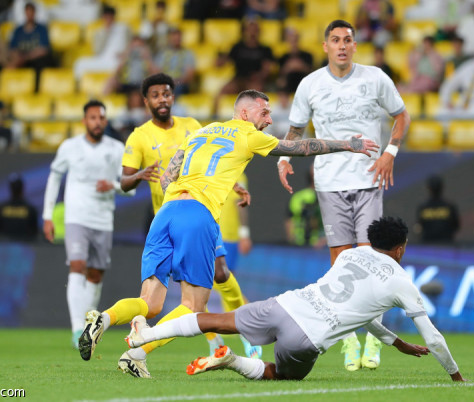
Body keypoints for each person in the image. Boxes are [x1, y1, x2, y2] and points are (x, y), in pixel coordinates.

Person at [77, 89, 379, 378]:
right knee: (193, 305)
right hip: (197, 215)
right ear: (244, 112)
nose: (270, 120)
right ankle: (137, 352)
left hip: (165, 213)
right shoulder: (249, 134)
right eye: (265, 112)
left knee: (151, 303)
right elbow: (299, 148)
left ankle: (103, 319)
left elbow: (169, 176)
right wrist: (348, 144)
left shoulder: (199, 133)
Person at [124, 216, 464, 383]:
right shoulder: (401, 281)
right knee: (282, 375)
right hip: (306, 337)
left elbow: (364, 313)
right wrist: (455, 375)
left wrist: (393, 341)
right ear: (401, 247)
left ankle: (146, 334)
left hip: (285, 304)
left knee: (213, 319)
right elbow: (432, 337)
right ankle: (231, 362)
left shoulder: (350, 255)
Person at [277, 20, 410, 372]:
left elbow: (401, 115)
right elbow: (295, 129)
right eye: (335, 40)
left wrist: (389, 153)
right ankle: (348, 339)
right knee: (340, 268)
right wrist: (285, 157)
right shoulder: (310, 84)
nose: (341, 45)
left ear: (354, 45)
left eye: (347, 40)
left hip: (368, 180)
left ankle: (374, 341)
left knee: (375, 263)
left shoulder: (375, 78)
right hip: (328, 183)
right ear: (325, 46)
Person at [117, 74, 261, 378]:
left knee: (218, 273)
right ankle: (153, 343)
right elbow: (124, 182)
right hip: (176, 214)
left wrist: (233, 184)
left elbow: (211, 161)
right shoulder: (140, 136)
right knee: (192, 300)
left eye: (167, 94)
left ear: (173, 96)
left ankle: (240, 335)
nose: (162, 100)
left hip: (195, 211)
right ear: (147, 101)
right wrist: (142, 174)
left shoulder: (194, 126)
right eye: (155, 95)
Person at [42, 100, 135, 349]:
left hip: (103, 219)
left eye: (101, 118)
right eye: (92, 118)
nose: (97, 122)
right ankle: (76, 329)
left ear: (105, 121)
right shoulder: (70, 147)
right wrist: (47, 215)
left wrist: (113, 186)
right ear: (85, 121)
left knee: (95, 273)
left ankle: (87, 328)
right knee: (77, 266)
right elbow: (54, 177)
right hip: (76, 218)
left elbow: (130, 189)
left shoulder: (116, 149)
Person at [7, 2, 52, 76]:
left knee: (41, 63)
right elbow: (12, 49)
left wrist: (26, 57)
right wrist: (18, 58)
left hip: (35, 62)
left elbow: (44, 50)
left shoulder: (41, 29)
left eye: (31, 12)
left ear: (35, 13)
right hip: (21, 61)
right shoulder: (18, 30)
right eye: (28, 12)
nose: (29, 14)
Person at [286, 165, 325, 247]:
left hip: (312, 246)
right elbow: (290, 219)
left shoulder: (297, 197)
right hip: (308, 246)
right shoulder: (326, 198)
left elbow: (289, 220)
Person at [416, 176, 460, 244]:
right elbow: (456, 226)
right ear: (442, 187)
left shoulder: (423, 208)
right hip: (446, 245)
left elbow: (419, 227)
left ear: (429, 188)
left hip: (427, 246)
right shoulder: (450, 207)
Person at [0, 173, 38, 241]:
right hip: (26, 248)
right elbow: (34, 231)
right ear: (22, 188)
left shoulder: (2, 209)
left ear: (10, 188)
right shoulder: (30, 209)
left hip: (7, 247)